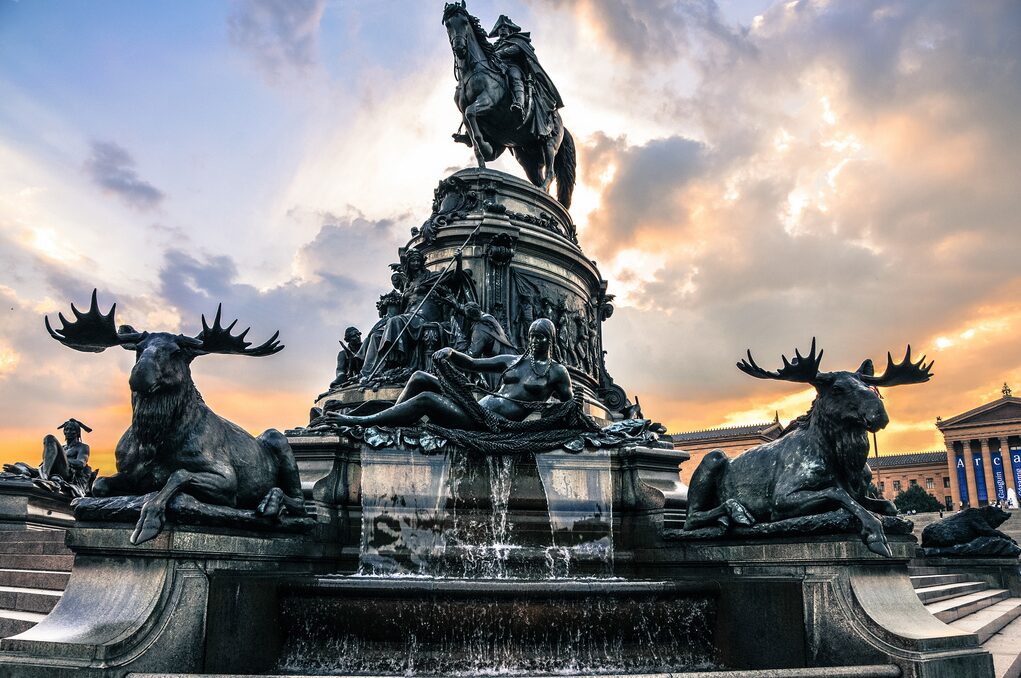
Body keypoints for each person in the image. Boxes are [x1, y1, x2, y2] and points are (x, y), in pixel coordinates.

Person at [312, 318, 571, 431]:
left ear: (551, 340)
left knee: (426, 399)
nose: (535, 341)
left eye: (541, 337)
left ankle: (359, 423)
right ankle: (389, 423)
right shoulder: (512, 361)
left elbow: (568, 406)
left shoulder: (556, 373)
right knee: (419, 378)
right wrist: (449, 351)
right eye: (532, 336)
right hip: (477, 406)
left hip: (488, 422)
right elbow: (470, 362)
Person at [489, 15, 564, 137]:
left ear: (510, 29)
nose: (502, 29)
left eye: (504, 27)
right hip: (498, 68)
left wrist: (499, 53)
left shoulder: (517, 40)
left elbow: (516, 50)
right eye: (500, 27)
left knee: (514, 77)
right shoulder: (495, 45)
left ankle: (519, 103)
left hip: (513, 67)